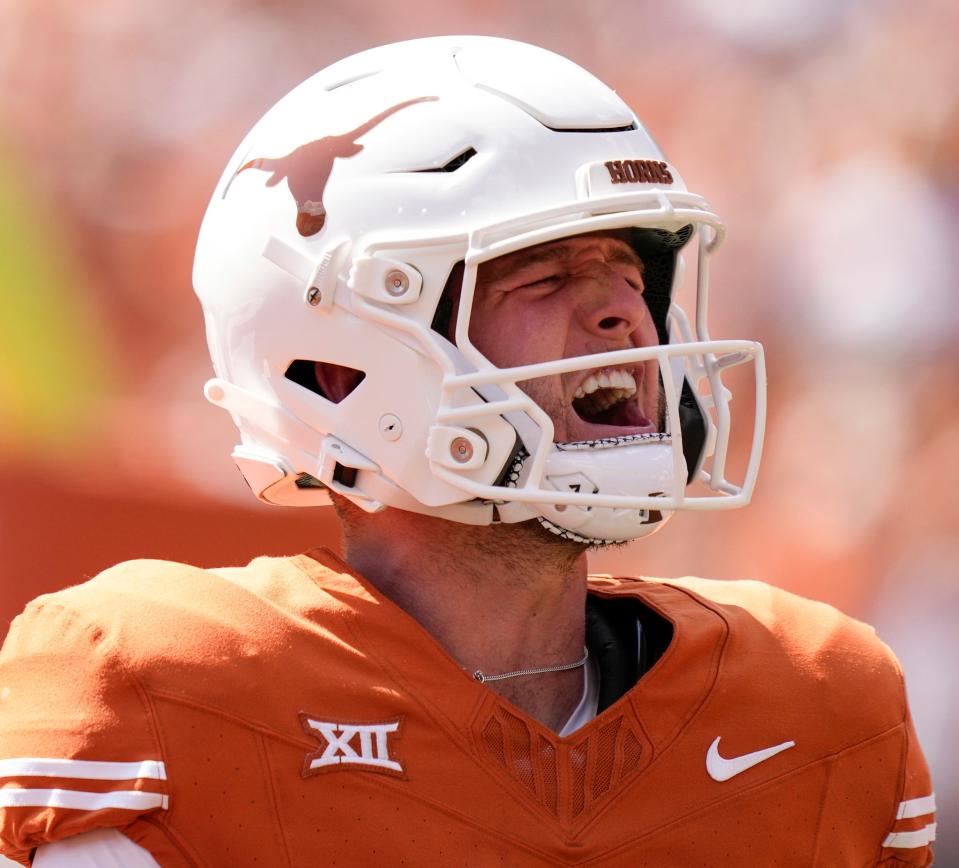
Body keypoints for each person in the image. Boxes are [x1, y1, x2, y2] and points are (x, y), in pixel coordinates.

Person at [0, 36, 935, 867]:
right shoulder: (171, 698)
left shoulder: (817, 708)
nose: (622, 312)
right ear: (338, 368)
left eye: (630, 269)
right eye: (546, 272)